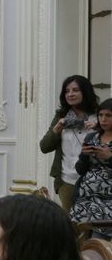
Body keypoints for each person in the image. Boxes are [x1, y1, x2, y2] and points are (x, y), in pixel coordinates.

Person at [41, 75, 100, 211]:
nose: (70, 94)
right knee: (70, 222)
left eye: (75, 90)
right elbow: (44, 147)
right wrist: (56, 130)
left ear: (85, 92)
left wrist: (99, 128)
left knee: (94, 221)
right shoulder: (61, 116)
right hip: (67, 181)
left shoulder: (99, 115)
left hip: (95, 179)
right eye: (67, 91)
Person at [70, 98, 112, 238]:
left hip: (108, 202)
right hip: (87, 198)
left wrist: (109, 157)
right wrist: (84, 155)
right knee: (80, 239)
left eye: (108, 115)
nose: (103, 119)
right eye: (101, 115)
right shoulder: (91, 137)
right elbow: (80, 170)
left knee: (99, 241)